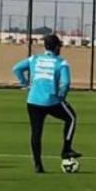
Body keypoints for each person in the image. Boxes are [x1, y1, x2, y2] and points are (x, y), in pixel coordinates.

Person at [13, 33, 81, 173]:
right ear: (56, 47)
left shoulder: (35, 58)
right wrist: (61, 96)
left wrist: (25, 84)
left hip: (33, 101)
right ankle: (66, 149)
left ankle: (38, 165)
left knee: (36, 133)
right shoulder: (61, 62)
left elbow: (16, 68)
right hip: (52, 101)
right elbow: (66, 83)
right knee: (71, 118)